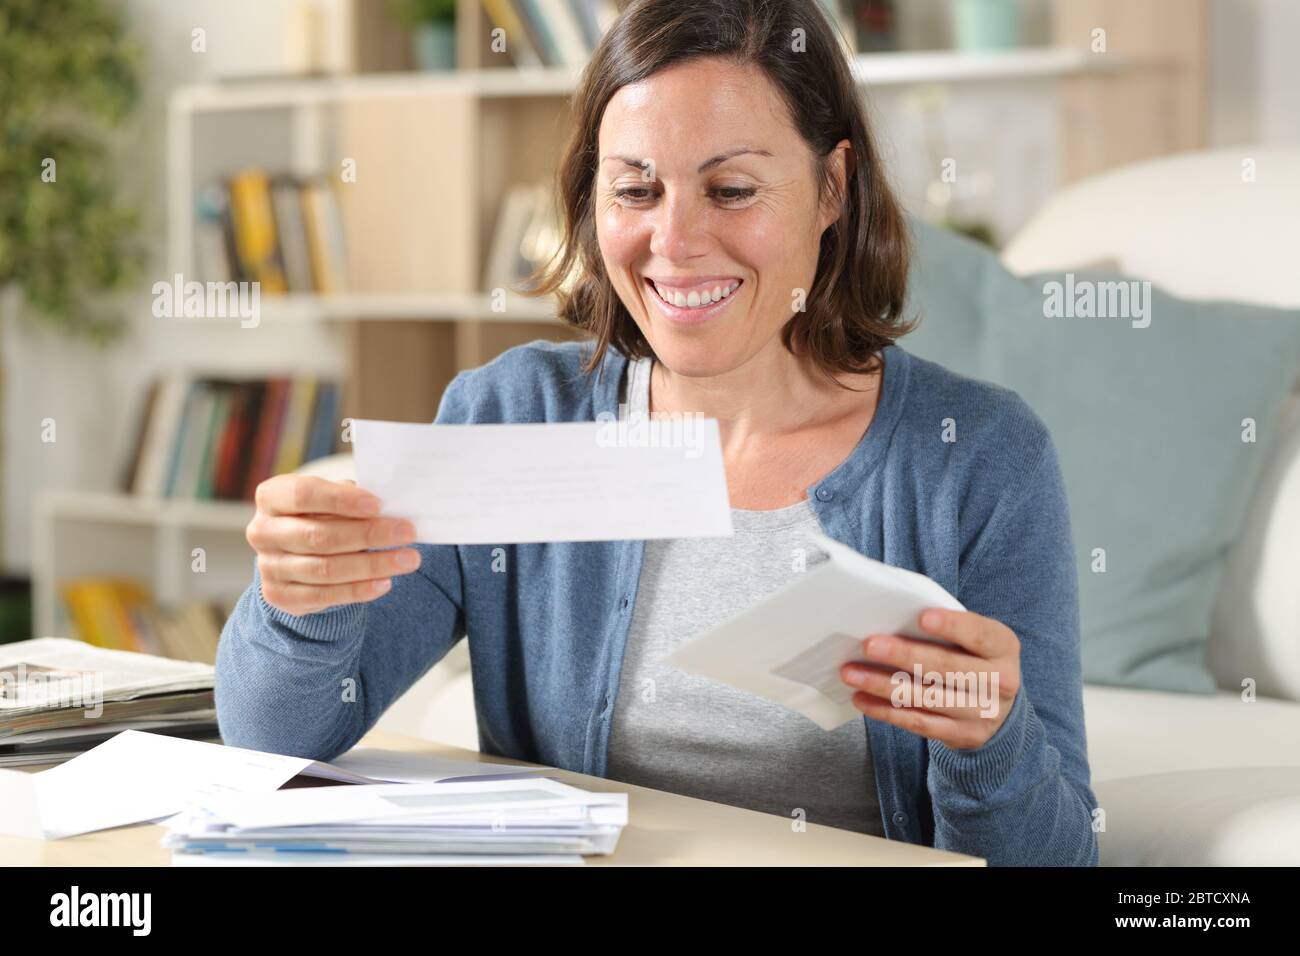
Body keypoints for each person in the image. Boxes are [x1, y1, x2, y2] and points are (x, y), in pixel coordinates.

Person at [217, 0, 1098, 866]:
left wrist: (991, 743)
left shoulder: (979, 456)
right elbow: (273, 743)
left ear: (833, 188)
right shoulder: (514, 415)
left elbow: (1057, 861)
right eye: (636, 189)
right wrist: (301, 604)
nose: (673, 242)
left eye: (732, 190)